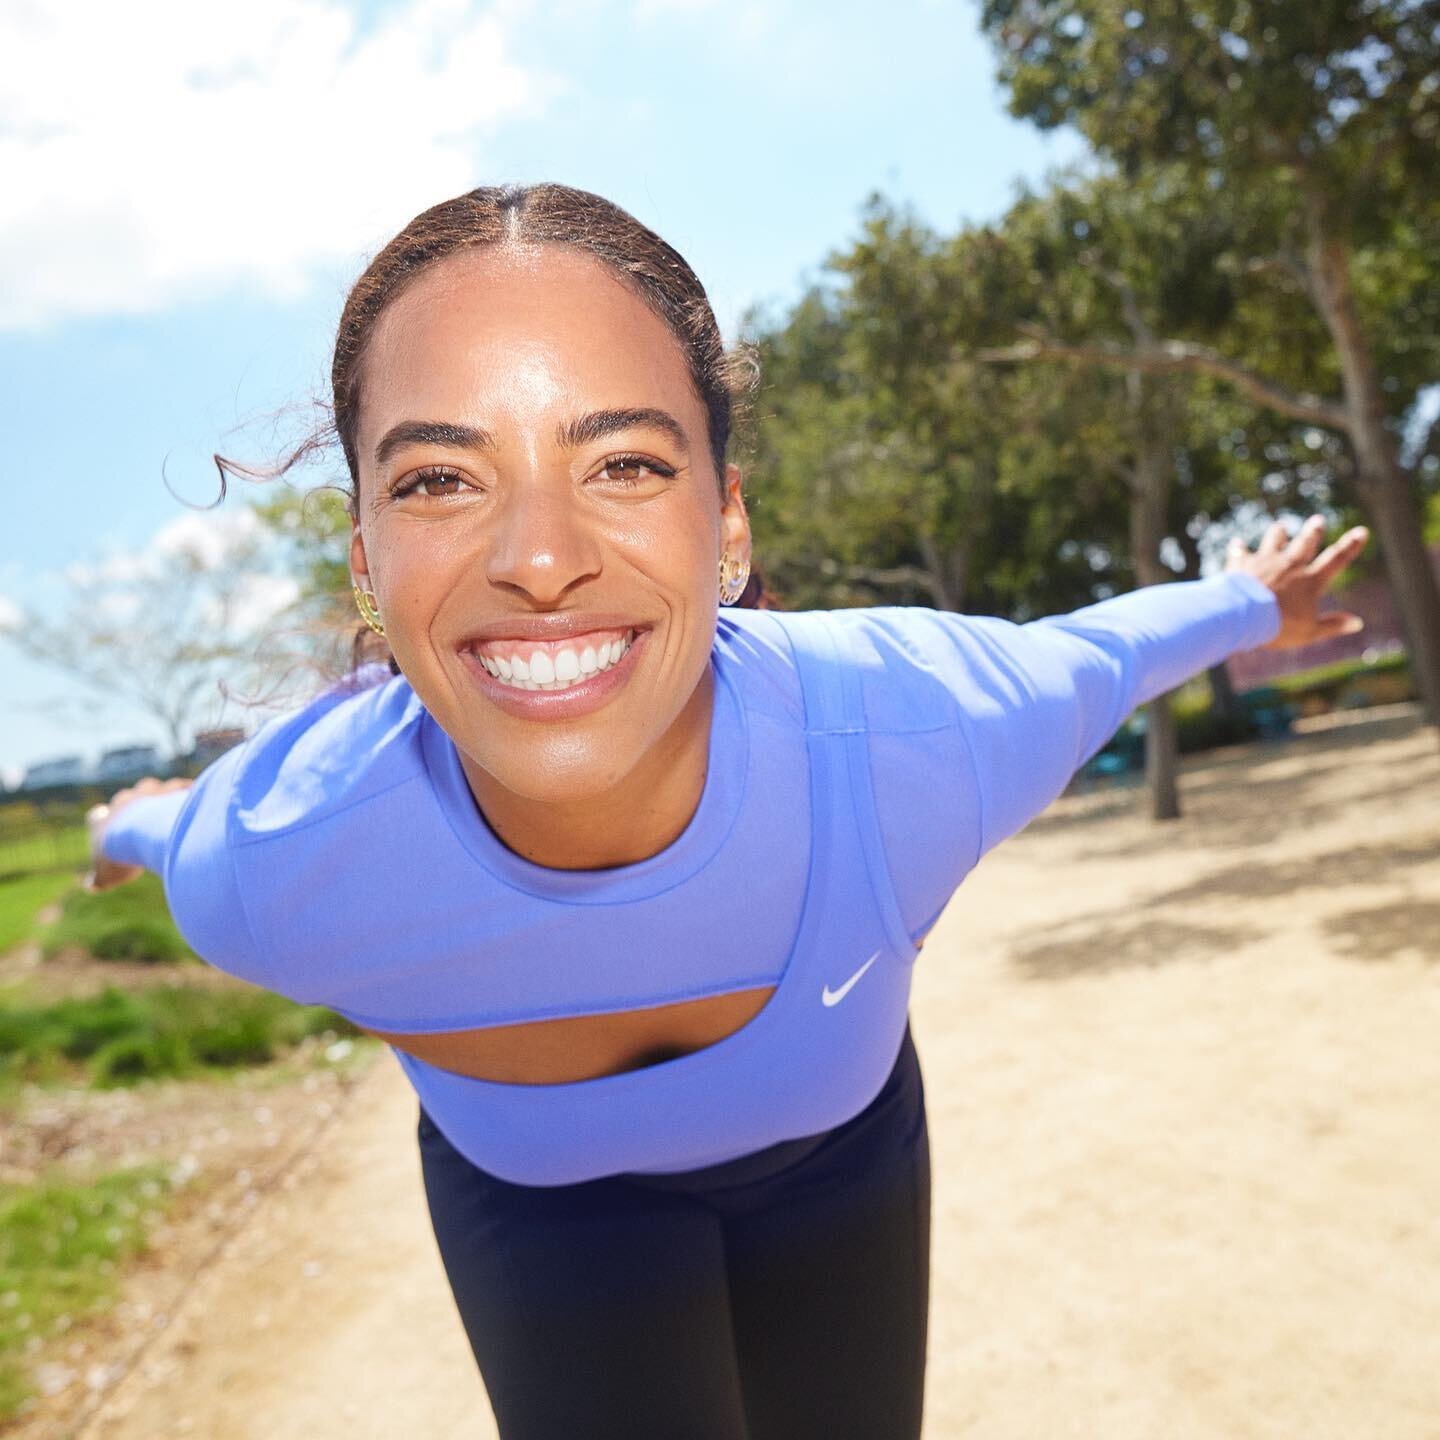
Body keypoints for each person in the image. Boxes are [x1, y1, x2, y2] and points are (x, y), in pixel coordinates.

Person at [86, 182, 1369, 1440]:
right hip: (536, 1214)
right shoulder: (281, 866)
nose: (540, 558)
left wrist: (1263, 601)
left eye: (626, 461)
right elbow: (166, 830)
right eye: (438, 481)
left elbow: (1107, 652)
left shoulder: (915, 735)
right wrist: (128, 823)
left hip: (840, 1168)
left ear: (728, 522)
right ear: (367, 560)